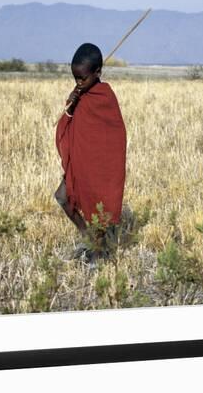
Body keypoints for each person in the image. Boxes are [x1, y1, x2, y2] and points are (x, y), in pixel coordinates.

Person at [54, 43, 127, 265]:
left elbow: (114, 136)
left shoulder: (105, 96)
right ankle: (87, 237)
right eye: (75, 78)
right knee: (63, 198)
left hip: (100, 168)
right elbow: (67, 124)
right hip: (80, 163)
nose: (78, 83)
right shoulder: (80, 94)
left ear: (97, 72)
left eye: (82, 78)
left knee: (99, 209)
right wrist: (71, 102)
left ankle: (97, 255)